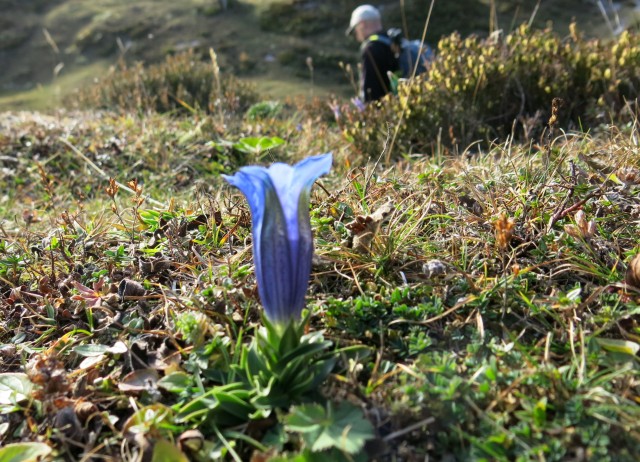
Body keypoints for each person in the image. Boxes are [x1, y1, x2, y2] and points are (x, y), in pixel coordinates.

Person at [346, 5, 399, 103]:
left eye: (355, 31)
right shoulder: (393, 42)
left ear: (361, 24)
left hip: (388, 112)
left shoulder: (370, 49)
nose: (356, 36)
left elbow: (370, 92)